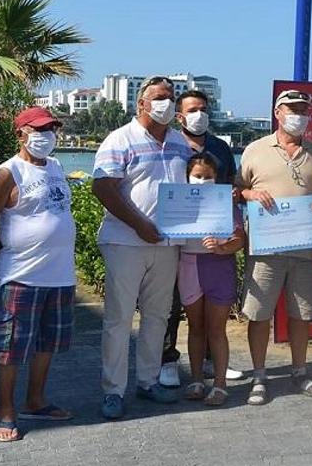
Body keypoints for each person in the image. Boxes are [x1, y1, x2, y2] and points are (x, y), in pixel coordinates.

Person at [91, 76, 193, 420]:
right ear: (141, 104)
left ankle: (148, 382)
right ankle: (113, 391)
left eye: (171, 97)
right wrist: (139, 224)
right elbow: (103, 188)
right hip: (125, 242)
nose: (167, 102)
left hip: (168, 245)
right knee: (119, 319)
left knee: (158, 317)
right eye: (160, 97)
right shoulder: (120, 139)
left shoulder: (181, 143)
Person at [0, 107, 76, 442]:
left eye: (51, 129)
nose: (46, 135)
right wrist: (6, 252)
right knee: (11, 346)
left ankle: (36, 399)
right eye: (38, 129)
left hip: (60, 276)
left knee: (48, 342)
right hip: (23, 276)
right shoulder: (10, 172)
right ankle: (5, 411)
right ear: (20, 133)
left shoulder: (57, 166)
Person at [237, 89, 312, 406]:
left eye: (304, 110)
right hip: (265, 250)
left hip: (305, 250)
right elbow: (236, 190)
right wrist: (250, 195)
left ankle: (300, 370)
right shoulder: (254, 150)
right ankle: (260, 375)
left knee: (301, 316)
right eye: (292, 109)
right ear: (277, 112)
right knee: (259, 313)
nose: (299, 115)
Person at [160, 89, 242, 388]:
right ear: (179, 115)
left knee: (211, 318)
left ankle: (210, 364)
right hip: (179, 242)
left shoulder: (220, 147)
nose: (199, 114)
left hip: (215, 243)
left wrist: (232, 196)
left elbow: (230, 185)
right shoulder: (169, 144)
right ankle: (168, 360)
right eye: (193, 109)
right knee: (172, 305)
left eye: (203, 108)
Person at [177, 153, 245, 407]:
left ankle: (219, 384)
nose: (203, 180)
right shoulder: (178, 202)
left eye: (208, 177)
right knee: (195, 328)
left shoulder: (225, 203)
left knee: (217, 330)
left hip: (218, 267)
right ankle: (196, 380)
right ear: (187, 177)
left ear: (217, 179)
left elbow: (240, 238)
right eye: (197, 176)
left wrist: (222, 246)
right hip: (189, 265)